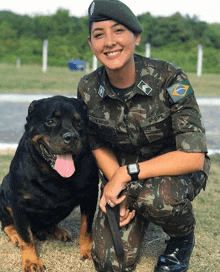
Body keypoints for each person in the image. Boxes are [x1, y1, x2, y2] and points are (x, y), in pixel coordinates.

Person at [77, 1, 211, 271]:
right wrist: (118, 184)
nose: (109, 42)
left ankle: (181, 239)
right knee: (109, 262)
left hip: (172, 172)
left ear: (136, 37)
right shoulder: (88, 88)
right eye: (99, 34)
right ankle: (136, 208)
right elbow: (97, 142)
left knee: (158, 199)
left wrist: (124, 175)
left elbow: (194, 156)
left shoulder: (169, 79)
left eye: (118, 31)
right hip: (122, 173)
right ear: (90, 44)